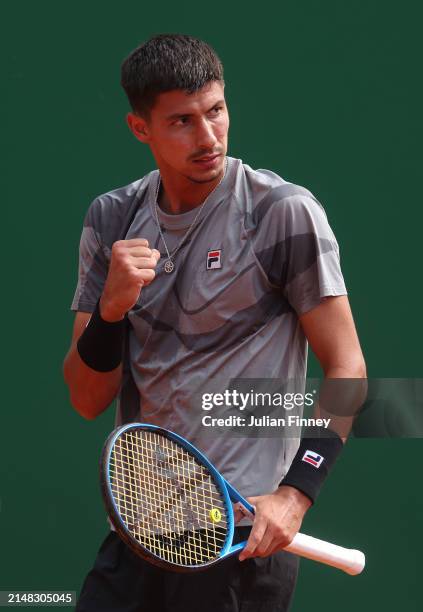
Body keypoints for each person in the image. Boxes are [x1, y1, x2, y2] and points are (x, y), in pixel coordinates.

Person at [64, 33, 366, 612]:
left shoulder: (282, 213)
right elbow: (85, 397)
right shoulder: (111, 219)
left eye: (216, 111)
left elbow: (347, 365)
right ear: (140, 128)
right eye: (181, 121)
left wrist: (295, 496)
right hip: (141, 527)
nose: (207, 138)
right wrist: (109, 311)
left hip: (239, 541)